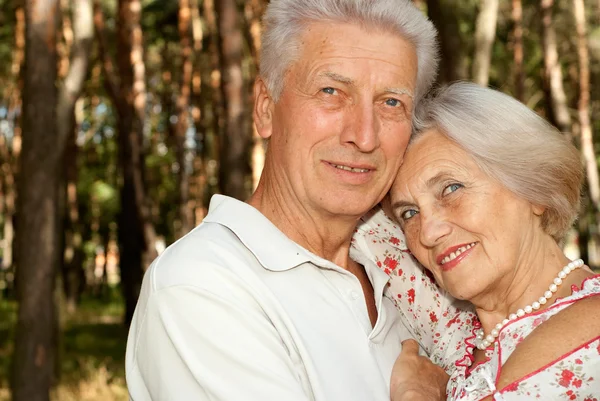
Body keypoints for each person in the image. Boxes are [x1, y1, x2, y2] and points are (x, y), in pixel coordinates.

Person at [125, 0, 448, 400]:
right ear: (265, 108)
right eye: (331, 91)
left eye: (391, 103)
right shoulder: (202, 285)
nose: (364, 136)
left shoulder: (411, 273)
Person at [358, 82, 600, 400]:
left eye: (451, 188)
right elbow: (343, 207)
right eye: (409, 213)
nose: (428, 232)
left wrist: (417, 394)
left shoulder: (590, 324)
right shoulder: (459, 334)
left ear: (533, 189)